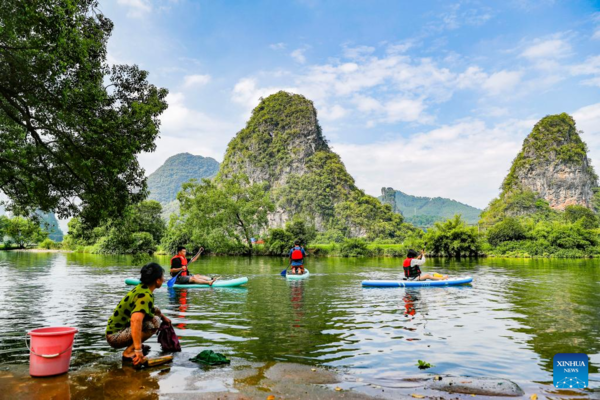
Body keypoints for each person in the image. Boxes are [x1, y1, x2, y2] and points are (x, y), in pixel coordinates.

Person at [106, 263, 172, 366]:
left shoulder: (142, 288)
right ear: (157, 280)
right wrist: (138, 349)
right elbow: (135, 321)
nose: (164, 279)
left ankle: (134, 347)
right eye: (162, 277)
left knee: (156, 311)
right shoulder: (145, 296)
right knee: (155, 323)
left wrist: (165, 318)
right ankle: (129, 352)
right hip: (115, 337)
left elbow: (153, 309)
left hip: (116, 332)